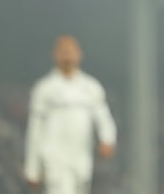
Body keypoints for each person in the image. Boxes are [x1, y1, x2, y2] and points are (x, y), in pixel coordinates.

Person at [24, 35, 117, 194]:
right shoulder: (44, 89)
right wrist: (32, 168)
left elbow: (103, 117)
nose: (67, 55)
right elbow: (35, 129)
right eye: (63, 51)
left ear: (79, 54)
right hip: (54, 157)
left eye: (71, 51)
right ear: (55, 55)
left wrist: (107, 138)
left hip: (81, 157)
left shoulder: (90, 87)